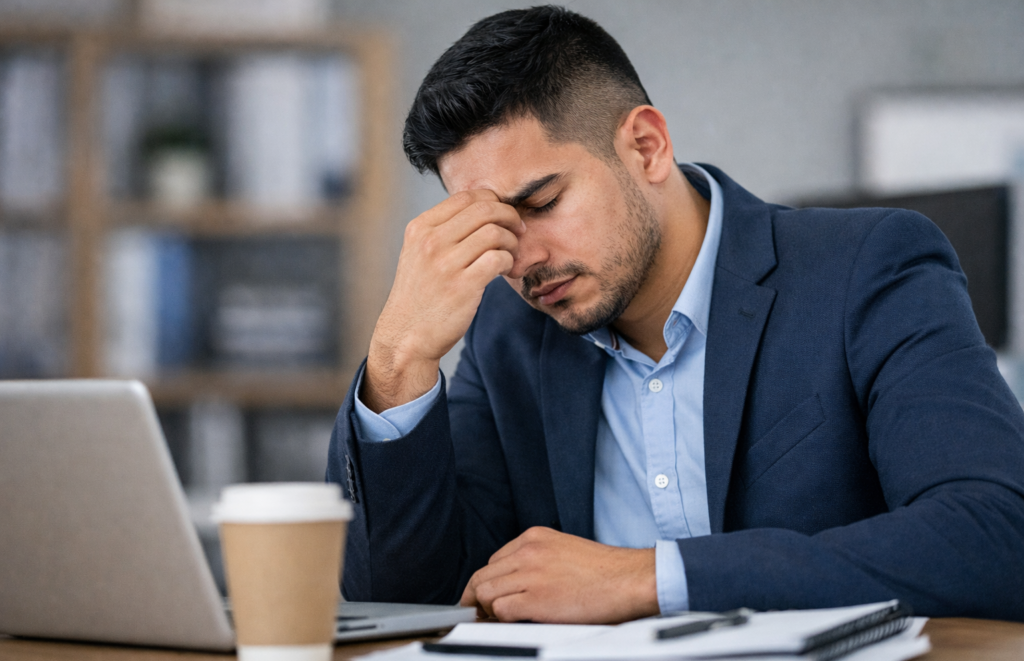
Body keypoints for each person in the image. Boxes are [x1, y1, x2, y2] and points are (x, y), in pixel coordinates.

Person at [326, 5, 1024, 623]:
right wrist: (398, 356)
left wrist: (647, 578)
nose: (523, 260)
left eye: (542, 203)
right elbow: (400, 601)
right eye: (492, 228)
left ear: (647, 147)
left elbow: (995, 535)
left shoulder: (867, 267)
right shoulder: (510, 334)